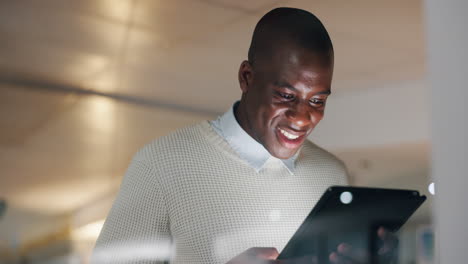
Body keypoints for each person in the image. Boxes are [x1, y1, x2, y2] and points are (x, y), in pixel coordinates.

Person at [91, 7, 396, 264]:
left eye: (317, 101)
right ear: (247, 78)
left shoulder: (332, 172)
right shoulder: (161, 163)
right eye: (286, 96)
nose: (303, 117)